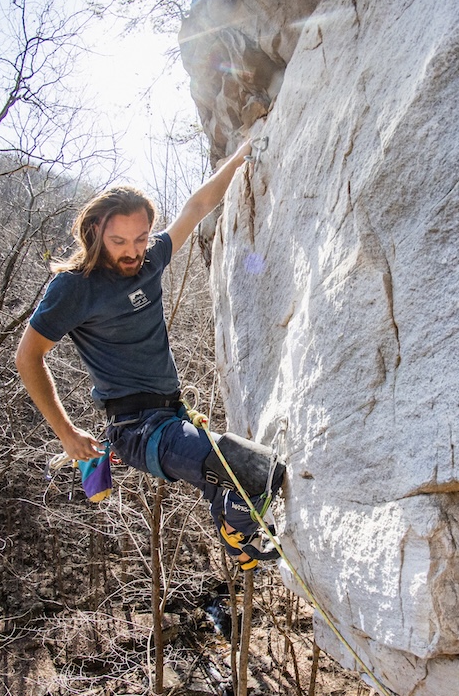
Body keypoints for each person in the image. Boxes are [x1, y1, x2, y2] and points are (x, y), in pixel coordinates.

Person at [15, 141, 284, 567]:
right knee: (251, 468)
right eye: (119, 240)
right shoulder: (74, 287)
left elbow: (196, 208)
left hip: (172, 415)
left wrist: (237, 159)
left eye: (140, 238)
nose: (132, 250)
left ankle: (236, 531)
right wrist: (66, 433)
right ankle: (237, 533)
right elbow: (28, 357)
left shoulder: (150, 259)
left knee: (255, 473)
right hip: (137, 430)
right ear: (96, 232)